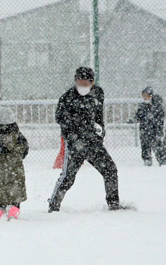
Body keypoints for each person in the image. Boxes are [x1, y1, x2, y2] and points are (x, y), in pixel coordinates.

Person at [48, 67, 123, 212]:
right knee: (67, 177)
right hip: (75, 144)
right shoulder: (67, 97)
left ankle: (113, 204)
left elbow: (99, 115)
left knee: (110, 170)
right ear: (75, 81)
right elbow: (60, 118)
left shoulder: (98, 93)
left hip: (93, 143)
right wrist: (77, 130)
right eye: (79, 82)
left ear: (92, 82)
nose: (82, 85)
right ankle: (54, 205)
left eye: (85, 82)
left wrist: (100, 130)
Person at [129, 86, 165, 166]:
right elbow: (138, 116)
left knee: (158, 147)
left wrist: (159, 132)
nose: (145, 98)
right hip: (144, 131)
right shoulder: (142, 106)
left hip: (154, 131)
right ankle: (147, 161)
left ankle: (162, 162)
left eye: (146, 96)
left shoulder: (158, 106)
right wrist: (133, 120)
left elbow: (160, 121)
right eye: (143, 96)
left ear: (151, 96)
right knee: (145, 147)